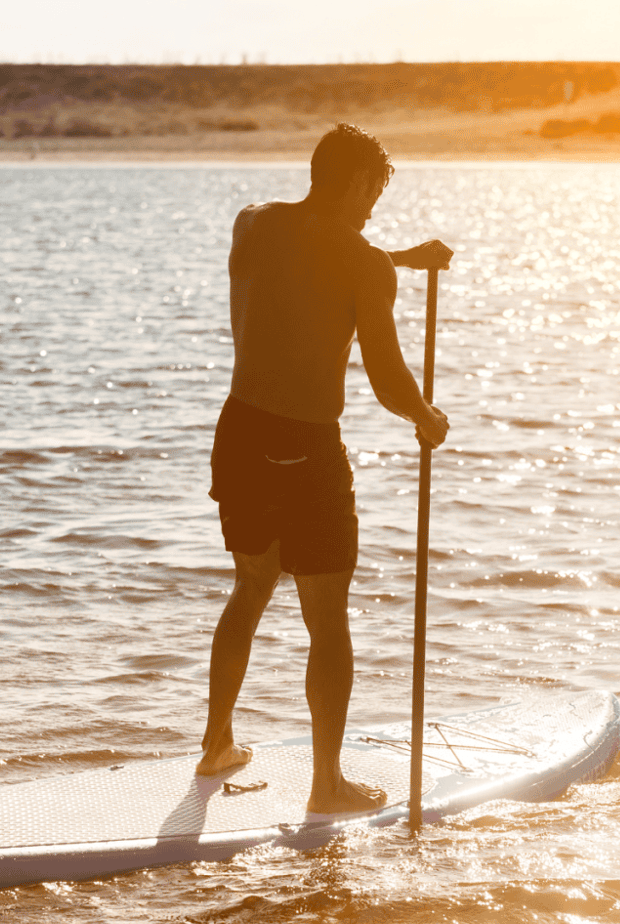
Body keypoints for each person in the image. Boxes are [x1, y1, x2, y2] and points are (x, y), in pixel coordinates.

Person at [198, 123, 451, 817]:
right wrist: (427, 419)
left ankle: (216, 743)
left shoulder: (252, 225)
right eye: (372, 189)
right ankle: (327, 785)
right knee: (327, 615)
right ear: (353, 183)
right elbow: (388, 381)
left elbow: (311, 258)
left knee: (251, 586)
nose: (374, 205)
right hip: (306, 448)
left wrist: (392, 260)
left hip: (240, 432)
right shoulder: (362, 265)